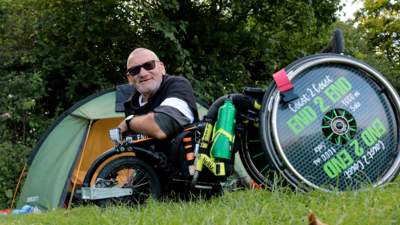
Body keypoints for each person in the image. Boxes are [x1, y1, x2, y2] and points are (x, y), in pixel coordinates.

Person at [119, 48, 199, 187]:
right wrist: (126, 186)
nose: (143, 73)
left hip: (187, 182)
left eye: (149, 65)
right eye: (135, 70)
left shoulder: (177, 85)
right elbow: (142, 157)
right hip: (153, 186)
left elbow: (161, 127)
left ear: (161, 68)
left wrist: (128, 123)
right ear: (130, 78)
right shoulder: (130, 106)